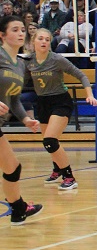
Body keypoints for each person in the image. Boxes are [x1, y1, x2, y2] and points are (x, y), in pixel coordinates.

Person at [26, 28, 97, 190]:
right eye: (40, 39)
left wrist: (89, 94)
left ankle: (69, 177)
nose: (44, 42)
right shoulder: (29, 61)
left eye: (47, 39)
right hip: (42, 103)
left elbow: (81, 75)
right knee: (49, 143)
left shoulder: (57, 59)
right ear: (33, 42)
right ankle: (57, 169)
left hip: (60, 101)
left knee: (50, 140)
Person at [0, 16, 44, 225]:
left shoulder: (20, 65)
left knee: (12, 167)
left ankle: (18, 209)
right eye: (14, 30)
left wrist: (26, 119)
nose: (20, 33)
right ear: (2, 35)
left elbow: (14, 98)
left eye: (22, 30)